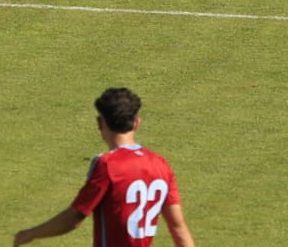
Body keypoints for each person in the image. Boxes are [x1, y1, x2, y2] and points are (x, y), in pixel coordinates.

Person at [12, 87, 195, 247]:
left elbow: (75, 217)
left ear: (100, 123)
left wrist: (30, 234)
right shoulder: (160, 164)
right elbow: (178, 228)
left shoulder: (107, 165)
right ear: (136, 123)